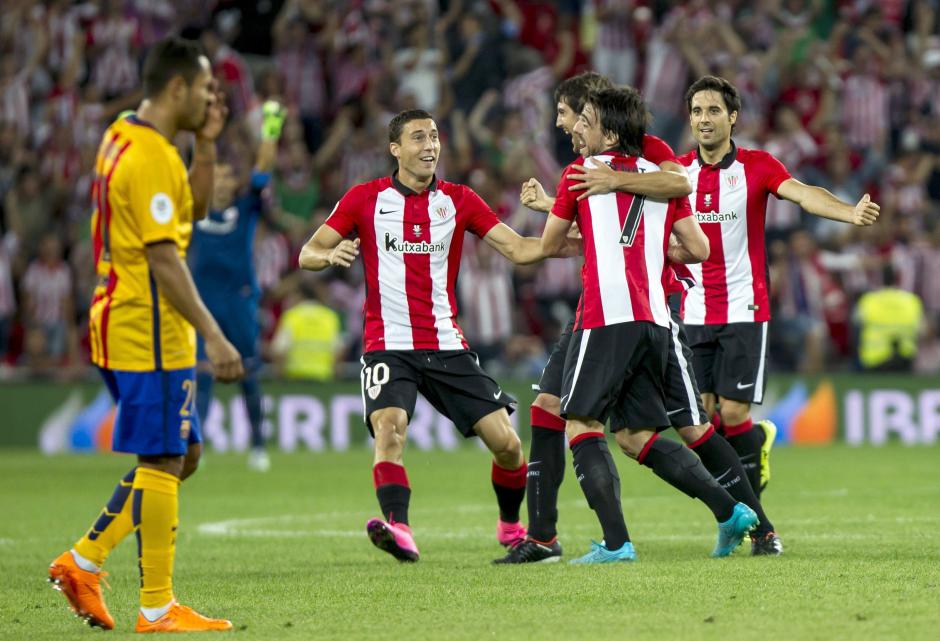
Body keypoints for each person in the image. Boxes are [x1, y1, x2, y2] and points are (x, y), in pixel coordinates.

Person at [499, 71, 777, 563]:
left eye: (577, 119)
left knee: (579, 423)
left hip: (606, 316)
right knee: (636, 435)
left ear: (606, 128)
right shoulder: (658, 180)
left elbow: (541, 249)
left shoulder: (581, 175)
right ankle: (732, 512)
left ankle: (614, 543)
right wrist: (642, 251)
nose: (571, 130)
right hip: (656, 317)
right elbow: (699, 246)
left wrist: (510, 227)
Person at [298, 109, 578, 563]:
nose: (429, 145)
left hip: (446, 344)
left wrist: (581, 240)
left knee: (508, 445)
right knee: (390, 429)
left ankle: (510, 527)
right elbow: (307, 252)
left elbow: (521, 250)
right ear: (395, 149)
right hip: (388, 344)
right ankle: (399, 527)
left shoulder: (459, 200)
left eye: (433, 137)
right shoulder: (363, 199)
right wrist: (330, 256)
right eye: (417, 138)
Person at [48, 37, 243, 632]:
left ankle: (83, 561)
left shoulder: (122, 132)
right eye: (207, 89)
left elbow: (191, 212)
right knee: (162, 455)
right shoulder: (152, 156)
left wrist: (205, 144)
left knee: (182, 454)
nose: (214, 98)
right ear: (178, 87)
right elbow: (164, 255)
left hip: (120, 315)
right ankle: (154, 605)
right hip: (148, 325)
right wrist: (214, 335)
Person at [677, 76, 880, 520]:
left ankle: (752, 518)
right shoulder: (676, 174)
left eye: (713, 111)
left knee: (731, 410)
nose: (704, 120)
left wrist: (848, 212)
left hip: (745, 305)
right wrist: (552, 208)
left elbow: (805, 195)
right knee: (707, 421)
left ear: (733, 117)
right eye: (696, 111)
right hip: (693, 309)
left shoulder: (757, 165)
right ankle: (754, 450)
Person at [189, 99, 287, 473]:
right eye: (220, 176)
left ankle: (259, 446)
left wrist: (271, 128)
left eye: (230, 176)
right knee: (202, 374)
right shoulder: (193, 209)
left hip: (240, 299)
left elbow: (262, 168)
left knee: (248, 374)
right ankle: (198, 445)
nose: (227, 181)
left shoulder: (246, 207)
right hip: (203, 302)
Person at [854, 264, 924, 372]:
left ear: (880, 279)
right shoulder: (912, 300)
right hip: (905, 358)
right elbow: (921, 329)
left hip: (874, 359)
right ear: (898, 279)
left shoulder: (868, 300)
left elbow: (856, 325)